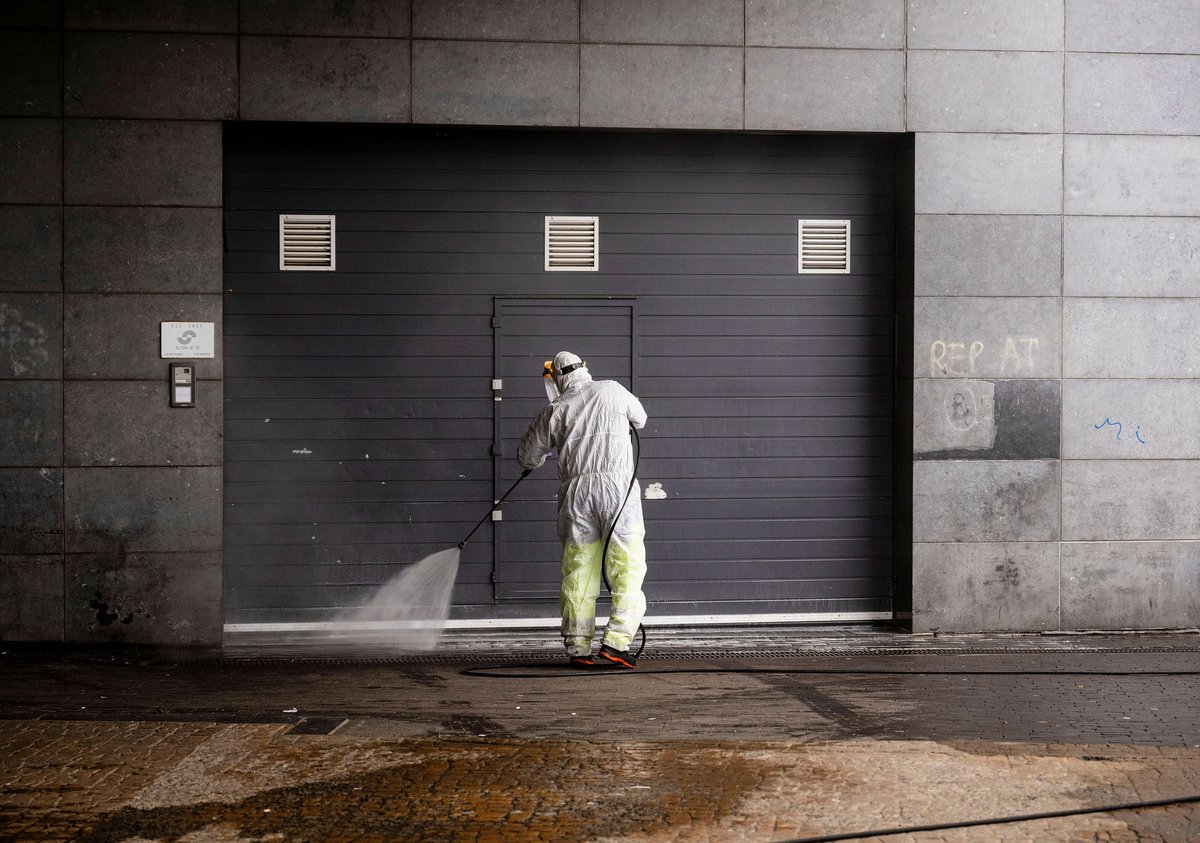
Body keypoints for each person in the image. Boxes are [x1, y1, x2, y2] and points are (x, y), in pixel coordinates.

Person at [517, 351, 648, 668]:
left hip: (576, 494)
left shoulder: (556, 408)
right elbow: (640, 419)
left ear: (558, 377)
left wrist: (549, 453)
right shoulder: (613, 390)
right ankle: (616, 644)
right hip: (618, 491)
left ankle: (578, 648)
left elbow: (526, 458)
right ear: (584, 368)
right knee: (627, 569)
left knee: (579, 571)